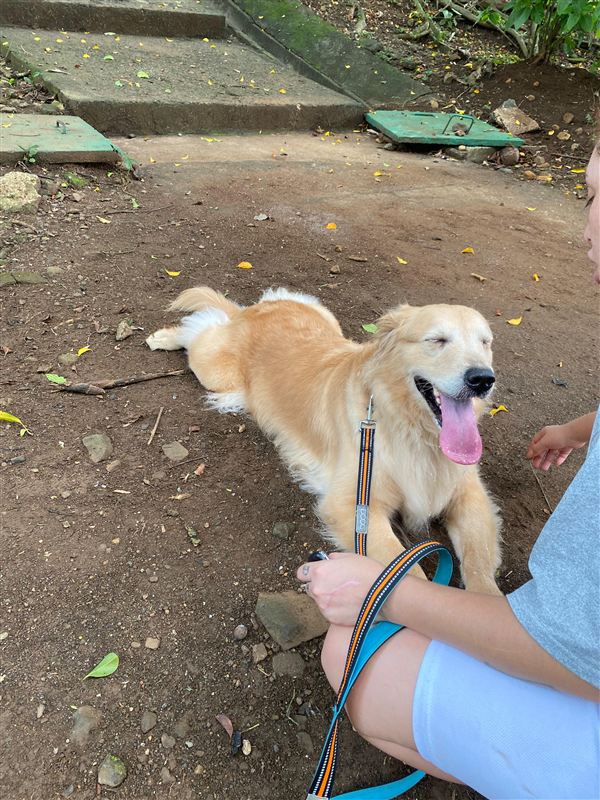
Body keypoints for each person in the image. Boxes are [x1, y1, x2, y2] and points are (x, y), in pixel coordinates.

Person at [297, 141, 599, 799]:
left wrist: (430, 591)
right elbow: (352, 505)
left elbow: (577, 655)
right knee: (222, 365)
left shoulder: (448, 407)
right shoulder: (377, 394)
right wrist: (580, 430)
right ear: (392, 345)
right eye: (440, 341)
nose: (478, 366)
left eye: (482, 345)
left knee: (346, 651)